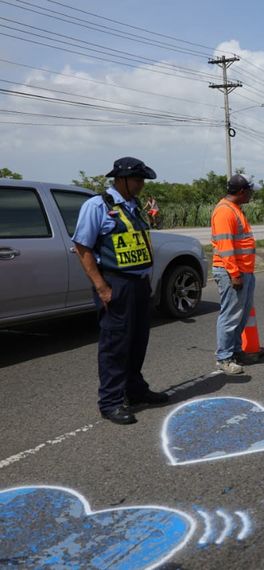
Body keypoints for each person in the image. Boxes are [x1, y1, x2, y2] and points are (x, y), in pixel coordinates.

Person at [72, 157, 168, 425]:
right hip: (115, 284)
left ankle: (135, 390)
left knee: (138, 341)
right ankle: (111, 401)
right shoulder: (97, 206)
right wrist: (101, 286)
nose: (141, 185)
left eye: (142, 180)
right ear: (121, 179)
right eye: (137, 180)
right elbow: (83, 248)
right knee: (115, 345)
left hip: (138, 284)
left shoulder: (134, 206)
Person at [211, 174, 257, 375]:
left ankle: (236, 351)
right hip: (232, 272)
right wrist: (234, 273)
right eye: (249, 191)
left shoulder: (236, 209)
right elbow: (225, 246)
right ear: (241, 191)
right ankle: (224, 357)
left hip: (245, 270)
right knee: (230, 316)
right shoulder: (224, 212)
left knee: (241, 315)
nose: (250, 195)